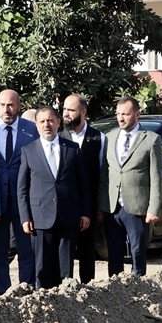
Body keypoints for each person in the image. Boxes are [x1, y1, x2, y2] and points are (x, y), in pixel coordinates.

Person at [17, 106, 90, 289]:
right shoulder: (28, 150)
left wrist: (85, 213)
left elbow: (83, 185)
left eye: (50, 120)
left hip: (68, 216)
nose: (46, 125)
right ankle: (45, 307)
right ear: (36, 125)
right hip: (40, 217)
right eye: (42, 121)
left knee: (66, 269)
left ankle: (67, 305)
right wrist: (25, 217)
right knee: (42, 268)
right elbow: (22, 188)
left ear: (58, 122)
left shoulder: (72, 149)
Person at [0, 89, 39, 292]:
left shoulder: (32, 129)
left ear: (19, 106)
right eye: (3, 105)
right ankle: (2, 289)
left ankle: (26, 288)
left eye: (11, 104)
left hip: (25, 199)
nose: (7, 109)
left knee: (26, 247)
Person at [101, 96, 162, 276]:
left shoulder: (151, 139)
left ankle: (139, 291)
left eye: (125, 114)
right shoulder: (110, 137)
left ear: (137, 115)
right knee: (114, 254)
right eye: (118, 114)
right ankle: (115, 292)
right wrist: (101, 204)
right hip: (112, 207)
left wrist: (153, 208)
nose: (121, 118)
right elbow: (105, 173)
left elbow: (156, 177)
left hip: (137, 207)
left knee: (137, 253)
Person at [61, 93, 107, 282]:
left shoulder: (99, 138)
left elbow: (102, 174)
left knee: (88, 252)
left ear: (83, 112)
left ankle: (87, 292)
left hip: (88, 206)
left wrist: (98, 207)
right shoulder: (58, 136)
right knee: (65, 252)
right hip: (65, 205)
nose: (66, 114)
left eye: (71, 110)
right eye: (64, 109)